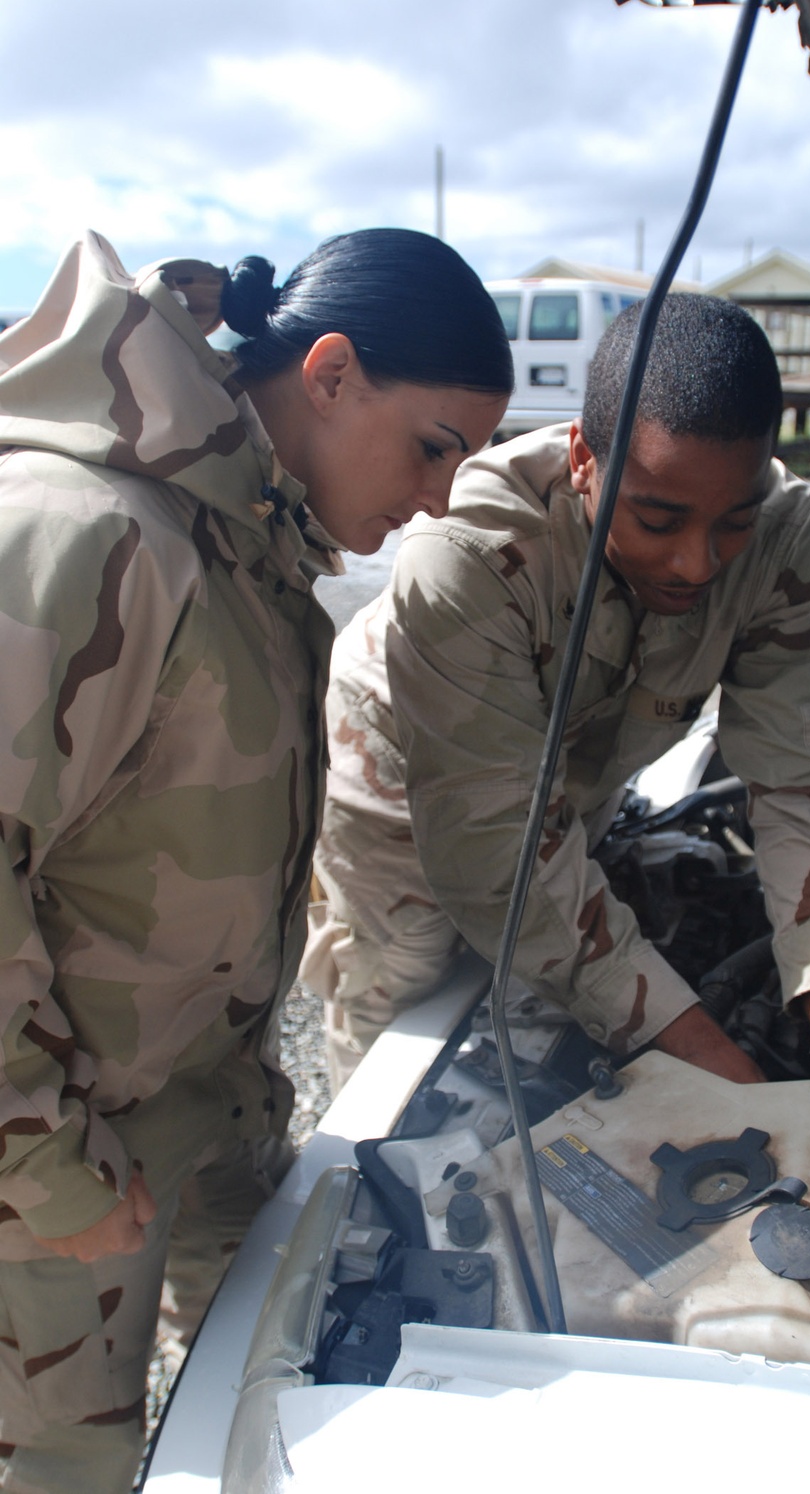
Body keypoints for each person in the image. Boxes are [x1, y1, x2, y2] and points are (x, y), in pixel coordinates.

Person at [0, 226, 512, 1494]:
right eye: (435, 446)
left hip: (200, 1109)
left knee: (285, 1384)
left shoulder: (248, 541)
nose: (441, 499)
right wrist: (42, 1164)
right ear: (329, 373)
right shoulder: (90, 531)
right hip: (61, 1158)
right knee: (65, 1466)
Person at [303, 292, 810, 1278]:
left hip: (571, 780)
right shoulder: (467, 557)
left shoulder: (785, 539)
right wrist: (738, 1089)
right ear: (582, 460)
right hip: (404, 772)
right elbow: (497, 856)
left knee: (567, 956)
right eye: (658, 517)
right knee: (408, 1013)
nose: (698, 561)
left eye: (733, 519)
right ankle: (367, 1235)